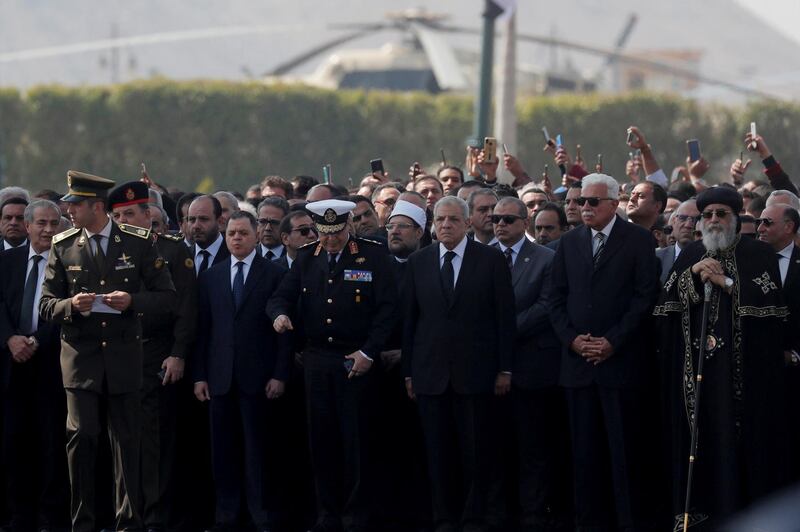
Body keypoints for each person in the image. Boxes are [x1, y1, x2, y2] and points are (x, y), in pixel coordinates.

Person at [39, 171, 176, 532]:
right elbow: (46, 305)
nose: (68, 211)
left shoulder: (139, 242)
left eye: (75, 205)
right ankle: (82, 521)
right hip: (81, 359)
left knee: (127, 442)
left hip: (123, 357)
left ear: (97, 207)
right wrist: (71, 304)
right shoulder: (63, 244)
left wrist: (132, 300)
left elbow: (167, 298)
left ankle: (128, 521)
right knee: (82, 437)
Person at [654, 186, 789, 529]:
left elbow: (772, 309)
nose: (713, 220)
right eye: (708, 214)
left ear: (734, 216)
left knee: (741, 443)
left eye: (721, 214)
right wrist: (694, 278)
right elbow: (665, 307)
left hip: (743, 376)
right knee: (699, 439)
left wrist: (726, 281)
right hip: (697, 376)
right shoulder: (691, 253)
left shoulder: (758, 253)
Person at [267, 199, 397, 532]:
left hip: (355, 359)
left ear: (348, 226)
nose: (330, 240)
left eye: (336, 232)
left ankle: (356, 515)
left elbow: (386, 311)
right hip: (317, 361)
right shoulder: (308, 257)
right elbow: (281, 296)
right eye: (324, 234)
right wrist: (280, 315)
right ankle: (327, 513)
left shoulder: (372, 256)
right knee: (321, 441)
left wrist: (369, 352)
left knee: (356, 442)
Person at [549, 173, 660, 531]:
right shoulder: (569, 243)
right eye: (581, 202)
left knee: (624, 454)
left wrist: (613, 341)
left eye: (593, 202)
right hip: (579, 366)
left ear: (614, 203)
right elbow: (555, 299)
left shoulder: (639, 240)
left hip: (621, 365)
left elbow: (645, 298)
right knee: (583, 456)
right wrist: (573, 340)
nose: (585, 208)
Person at [403, 196, 515, 532]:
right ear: (432, 225)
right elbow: (410, 322)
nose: (446, 226)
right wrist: (408, 372)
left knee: (476, 452)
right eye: (440, 220)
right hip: (430, 375)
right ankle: (443, 517)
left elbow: (504, 320)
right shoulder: (418, 262)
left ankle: (473, 516)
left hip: (477, 374)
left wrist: (505, 368)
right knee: (437, 454)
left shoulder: (491, 260)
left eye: (453, 220)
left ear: (467, 223)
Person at [107, 181, 198, 532]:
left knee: (157, 441)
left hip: (157, 355)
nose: (124, 220)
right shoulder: (109, 250)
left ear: (149, 215)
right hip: (118, 357)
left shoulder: (173, 251)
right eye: (117, 215)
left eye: (130, 213)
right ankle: (128, 514)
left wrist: (178, 354)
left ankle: (157, 516)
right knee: (121, 442)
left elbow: (186, 309)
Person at [193, 211, 290, 532]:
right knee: (223, 452)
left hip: (258, 379)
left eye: (243, 233)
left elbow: (283, 334)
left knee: (257, 451)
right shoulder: (211, 277)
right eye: (232, 233)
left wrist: (279, 374)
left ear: (254, 235)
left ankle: (260, 515)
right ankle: (226, 515)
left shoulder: (274, 273)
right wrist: (200, 375)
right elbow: (203, 331)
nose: (236, 238)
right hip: (220, 378)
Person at [492, 197, 572, 531]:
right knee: (497, 447)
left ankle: (534, 515)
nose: (500, 225)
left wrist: (501, 331)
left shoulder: (546, 258)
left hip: (531, 368)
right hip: (489, 368)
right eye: (496, 219)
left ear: (524, 222)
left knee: (533, 448)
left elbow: (545, 306)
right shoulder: (482, 257)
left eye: (508, 220)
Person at [0, 199, 69, 531]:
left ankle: (50, 515)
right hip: (11, 364)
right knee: (14, 441)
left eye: (54, 223)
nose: (48, 230)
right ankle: (19, 514)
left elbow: (66, 310)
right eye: (41, 223)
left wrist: (37, 340)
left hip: (50, 364)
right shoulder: (7, 261)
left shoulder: (70, 263)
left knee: (51, 441)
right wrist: (11, 339)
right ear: (27, 226)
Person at [657, 199, 699, 285]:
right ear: (674, 221)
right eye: (682, 218)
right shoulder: (656, 258)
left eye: (695, 220)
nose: (687, 225)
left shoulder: (712, 260)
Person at [188, 195, 231, 275]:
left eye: (203, 219)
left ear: (220, 221)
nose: (196, 226)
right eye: (192, 220)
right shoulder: (182, 255)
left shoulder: (233, 254)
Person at [256, 196, 290, 261]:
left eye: (274, 223)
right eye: (263, 222)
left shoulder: (294, 256)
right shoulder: (248, 254)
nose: (267, 228)